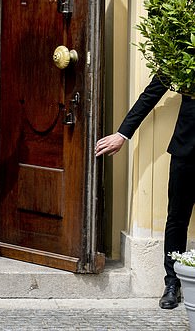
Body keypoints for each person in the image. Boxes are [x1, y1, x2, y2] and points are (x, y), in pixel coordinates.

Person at [95, 74, 195, 309]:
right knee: (177, 219)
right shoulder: (182, 49)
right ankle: (172, 284)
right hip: (186, 148)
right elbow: (151, 93)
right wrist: (122, 134)